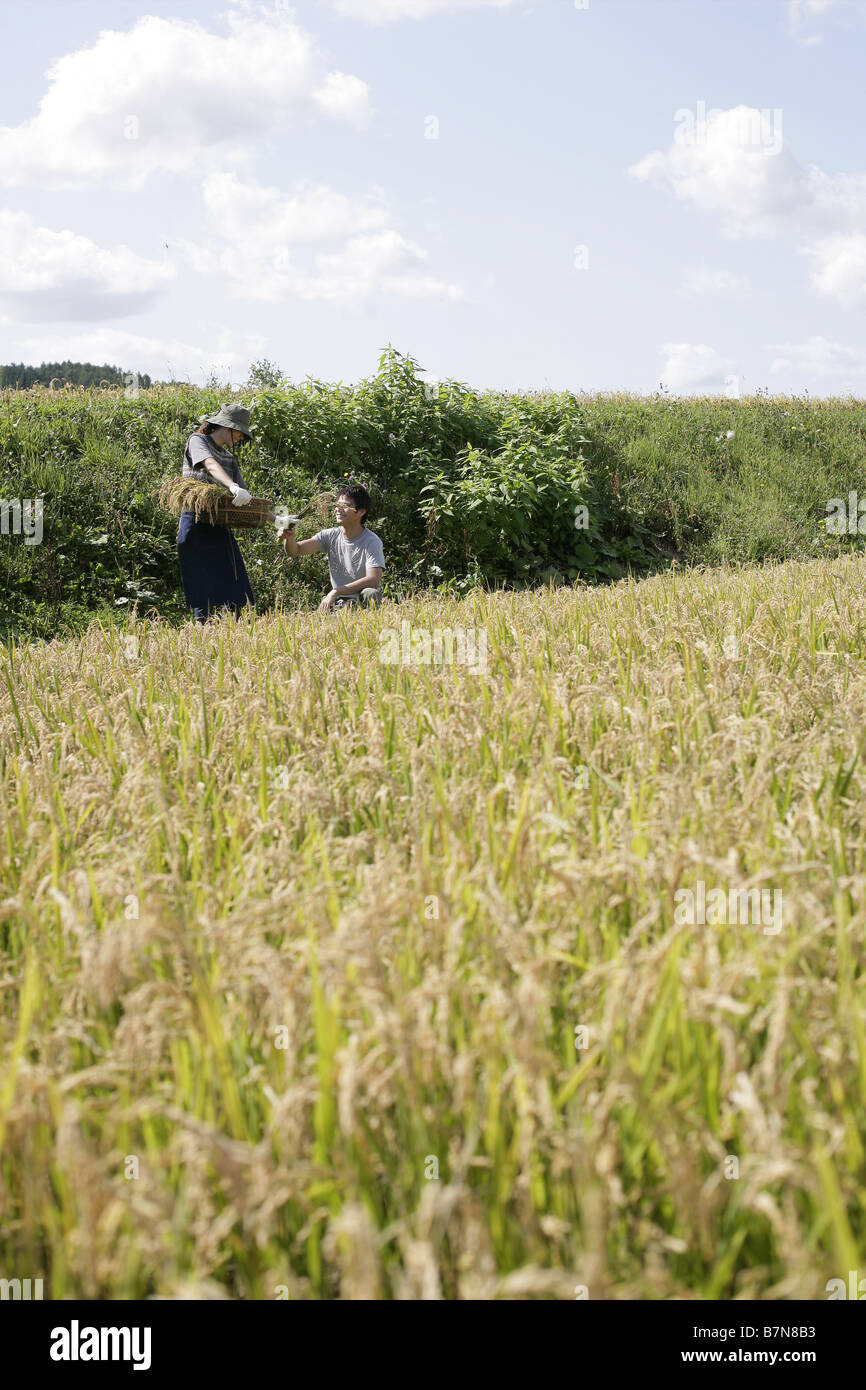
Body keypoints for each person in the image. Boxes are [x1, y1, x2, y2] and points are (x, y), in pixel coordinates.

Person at [177, 404, 256, 623]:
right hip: (196, 522)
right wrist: (231, 487)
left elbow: (246, 498)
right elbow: (210, 465)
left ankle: (241, 637)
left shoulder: (230, 458)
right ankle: (205, 638)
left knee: (235, 586)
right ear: (228, 427)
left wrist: (275, 518)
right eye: (240, 432)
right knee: (204, 592)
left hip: (220, 527)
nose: (241, 437)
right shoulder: (198, 441)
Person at [278, 482, 384, 612]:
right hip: (339, 601)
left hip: (358, 599)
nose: (338, 509)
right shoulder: (330, 535)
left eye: (345, 506)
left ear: (361, 512)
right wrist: (289, 538)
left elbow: (373, 580)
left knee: (370, 593)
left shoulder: (371, 541)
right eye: (337, 505)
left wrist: (336, 591)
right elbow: (296, 550)